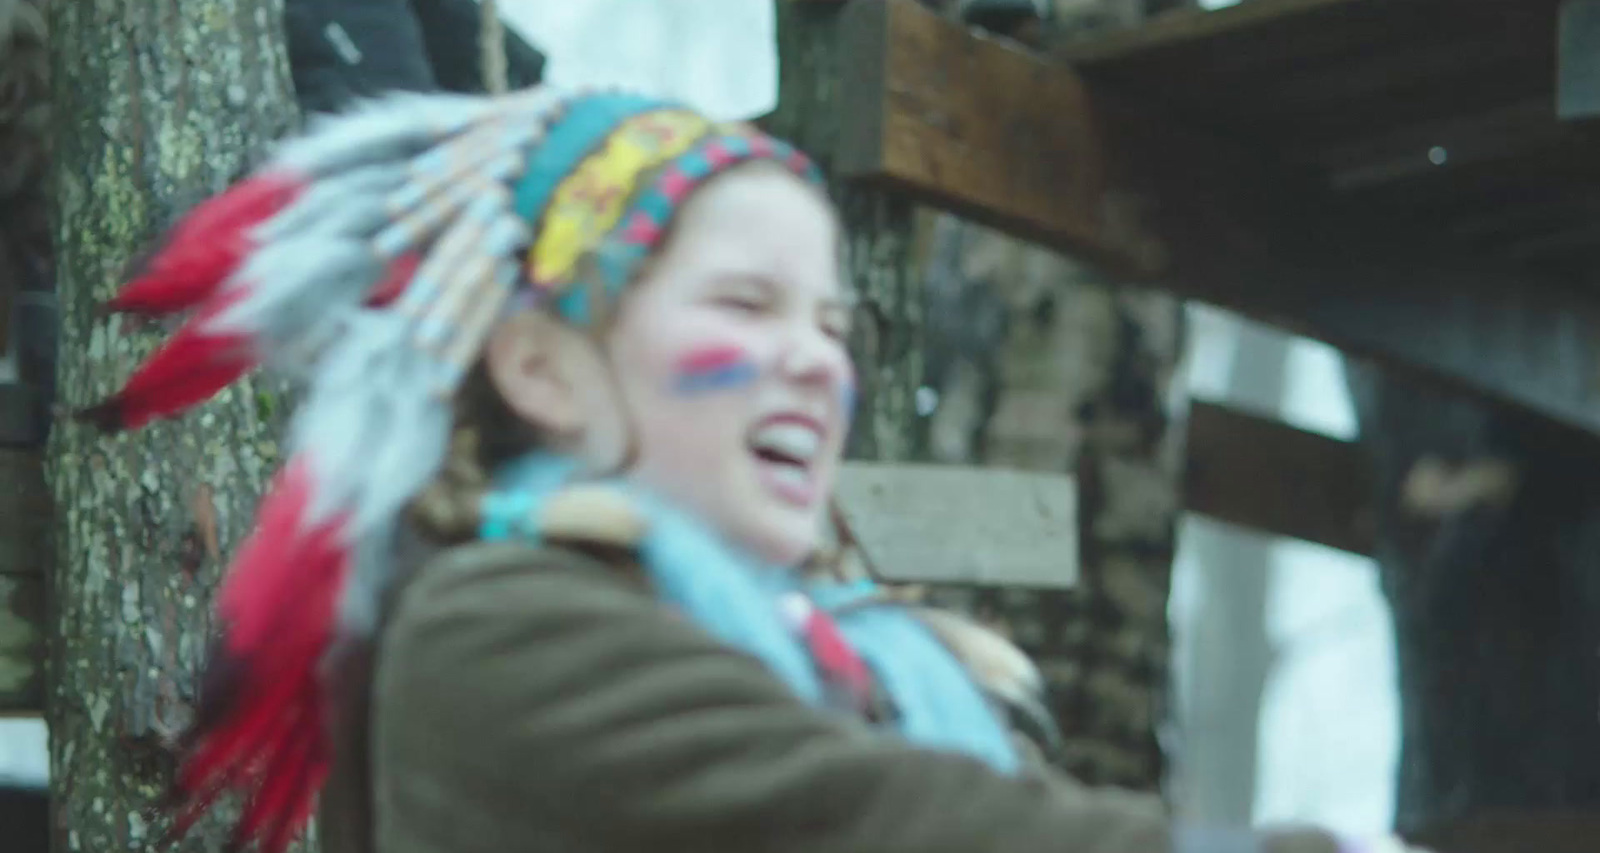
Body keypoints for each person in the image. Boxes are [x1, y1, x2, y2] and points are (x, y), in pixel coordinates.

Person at [84, 87, 1431, 853]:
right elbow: (872, 828)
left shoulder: (867, 657)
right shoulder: (493, 632)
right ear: (543, 367)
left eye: (833, 324)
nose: (812, 361)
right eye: (744, 304)